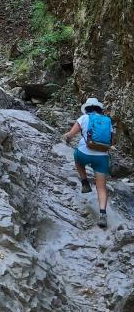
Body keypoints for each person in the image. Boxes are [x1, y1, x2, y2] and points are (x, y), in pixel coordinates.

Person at [64, 97, 113, 230]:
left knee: (77, 157)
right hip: (102, 156)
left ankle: (85, 182)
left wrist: (66, 138)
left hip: (84, 153)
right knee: (101, 187)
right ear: (99, 108)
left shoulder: (84, 118)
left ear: (86, 108)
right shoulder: (107, 121)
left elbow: (70, 135)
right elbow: (111, 141)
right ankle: (103, 214)